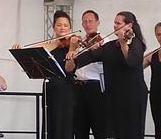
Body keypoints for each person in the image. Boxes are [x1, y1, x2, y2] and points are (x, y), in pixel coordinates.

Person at [67, 11, 147, 139]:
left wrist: (122, 42)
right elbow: (86, 59)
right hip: (115, 97)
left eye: (118, 23)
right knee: (116, 133)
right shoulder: (109, 46)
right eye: (114, 23)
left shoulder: (136, 43)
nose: (115, 25)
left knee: (132, 133)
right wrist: (73, 55)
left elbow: (131, 61)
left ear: (129, 26)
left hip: (132, 96)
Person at [13, 10, 78, 139]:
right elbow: (34, 50)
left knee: (64, 126)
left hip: (66, 90)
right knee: (49, 124)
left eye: (66, 25)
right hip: (50, 89)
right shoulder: (50, 45)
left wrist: (72, 49)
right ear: (53, 27)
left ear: (70, 28)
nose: (62, 28)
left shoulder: (73, 45)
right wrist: (19, 49)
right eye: (59, 25)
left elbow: (70, 69)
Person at [73, 10, 109, 139]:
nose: (87, 24)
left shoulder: (106, 41)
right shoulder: (79, 42)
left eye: (90, 21)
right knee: (80, 130)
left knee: (100, 129)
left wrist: (97, 51)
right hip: (78, 87)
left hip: (96, 88)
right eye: (85, 22)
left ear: (98, 22)